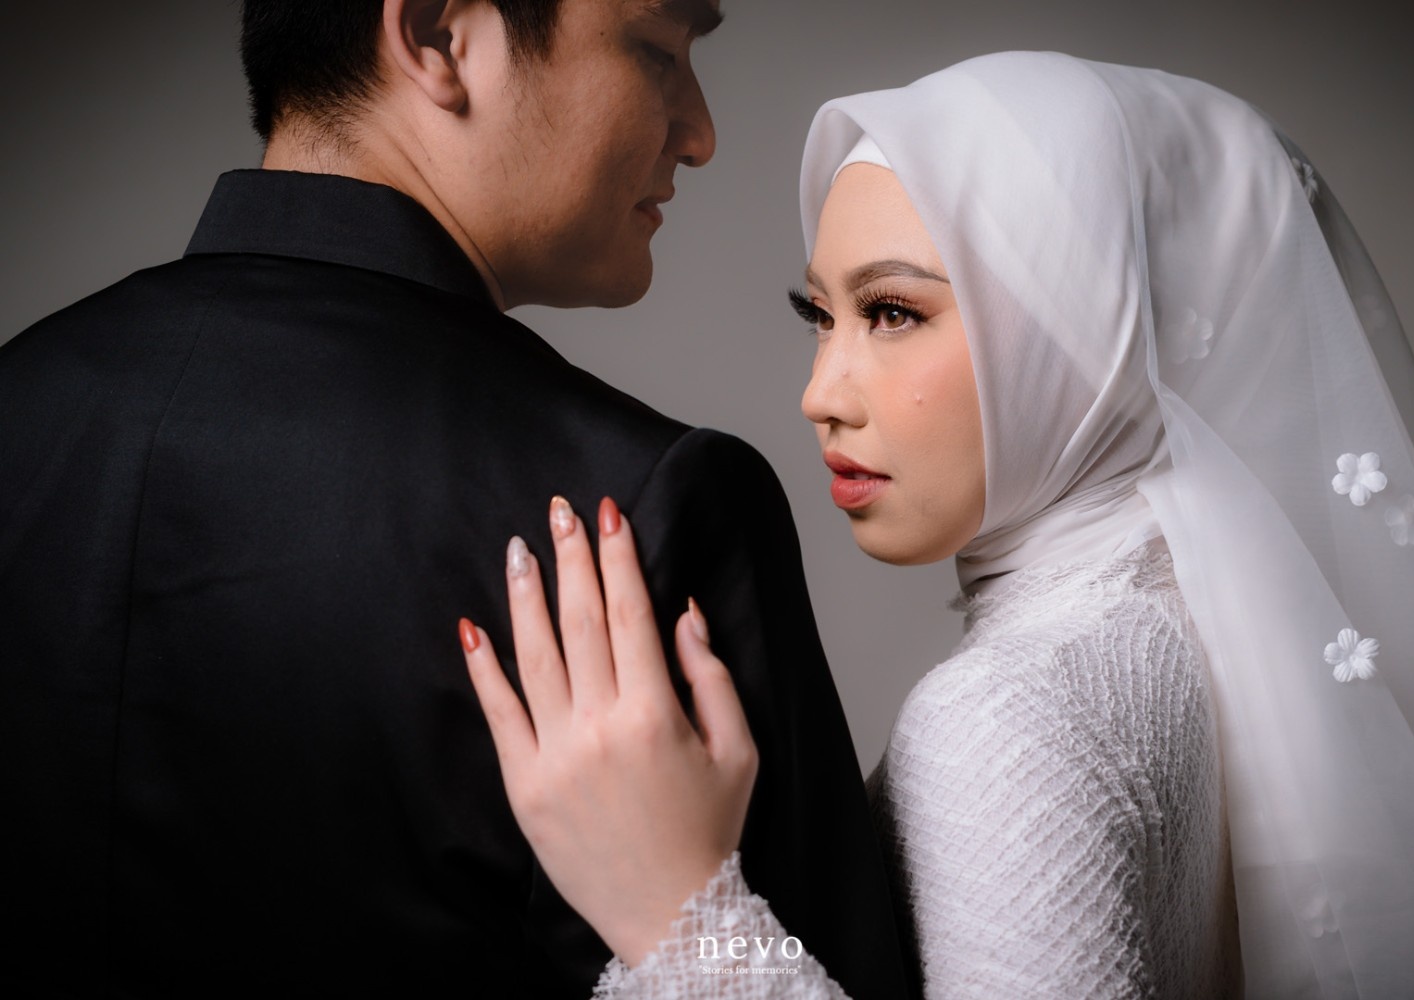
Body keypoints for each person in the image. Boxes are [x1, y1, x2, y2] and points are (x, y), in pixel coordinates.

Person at [463, 52, 1414, 998]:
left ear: (1085, 330)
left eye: (893, 312)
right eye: (821, 315)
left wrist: (684, 921)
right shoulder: (1216, 618)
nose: (821, 393)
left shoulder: (1008, 714)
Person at [0, 1, 910, 996]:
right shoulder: (640, 504)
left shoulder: (23, 396)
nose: (699, 132)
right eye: (657, 49)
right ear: (438, 35)